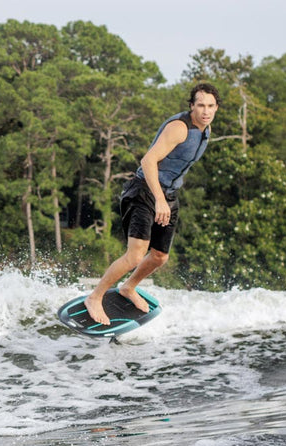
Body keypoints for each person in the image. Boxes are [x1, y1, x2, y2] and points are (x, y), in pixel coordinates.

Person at [84, 83, 218, 325]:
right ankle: (95, 297)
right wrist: (159, 200)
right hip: (144, 191)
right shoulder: (180, 128)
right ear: (192, 106)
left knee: (159, 256)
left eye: (210, 106)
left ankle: (128, 288)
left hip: (168, 195)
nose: (205, 111)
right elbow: (148, 161)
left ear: (216, 107)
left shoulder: (206, 130)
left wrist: (165, 199)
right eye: (200, 105)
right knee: (135, 255)